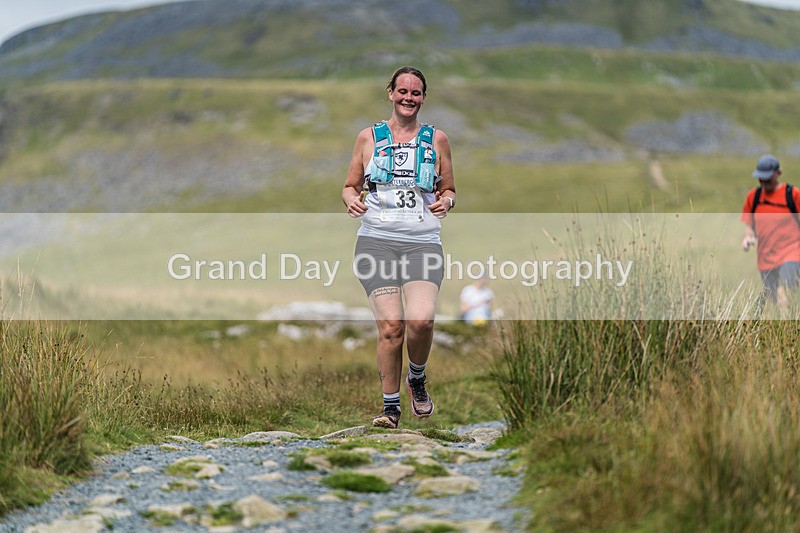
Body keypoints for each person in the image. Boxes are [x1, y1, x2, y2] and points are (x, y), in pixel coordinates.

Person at [342, 66, 456, 429]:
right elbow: (349, 185)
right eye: (402, 91)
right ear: (390, 93)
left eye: (416, 93)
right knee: (392, 326)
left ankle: (417, 378)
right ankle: (390, 409)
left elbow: (449, 189)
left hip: (422, 243)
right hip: (376, 241)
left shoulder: (437, 139)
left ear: (424, 98)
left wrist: (446, 202)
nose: (409, 98)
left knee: (420, 322)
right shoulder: (367, 138)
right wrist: (350, 200)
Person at [741, 154, 800, 310]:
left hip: (791, 252)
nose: (763, 182)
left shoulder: (792, 195)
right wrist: (748, 237)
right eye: (761, 179)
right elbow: (748, 224)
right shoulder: (753, 197)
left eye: (767, 178)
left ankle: (789, 331)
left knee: (785, 291)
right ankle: (785, 330)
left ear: (778, 173)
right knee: (776, 301)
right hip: (765, 258)